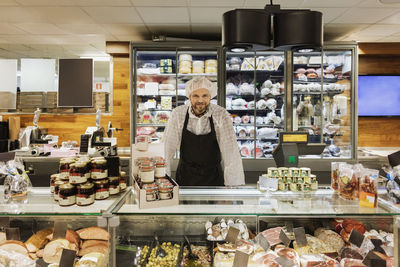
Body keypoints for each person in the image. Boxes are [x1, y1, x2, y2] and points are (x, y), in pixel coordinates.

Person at [164, 76, 245, 186]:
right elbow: (167, 149)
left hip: (213, 177)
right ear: (189, 96)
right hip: (185, 177)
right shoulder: (178, 114)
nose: (200, 100)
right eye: (196, 96)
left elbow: (231, 152)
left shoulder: (220, 115)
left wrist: (232, 188)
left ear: (210, 96)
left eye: (205, 95)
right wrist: (163, 179)